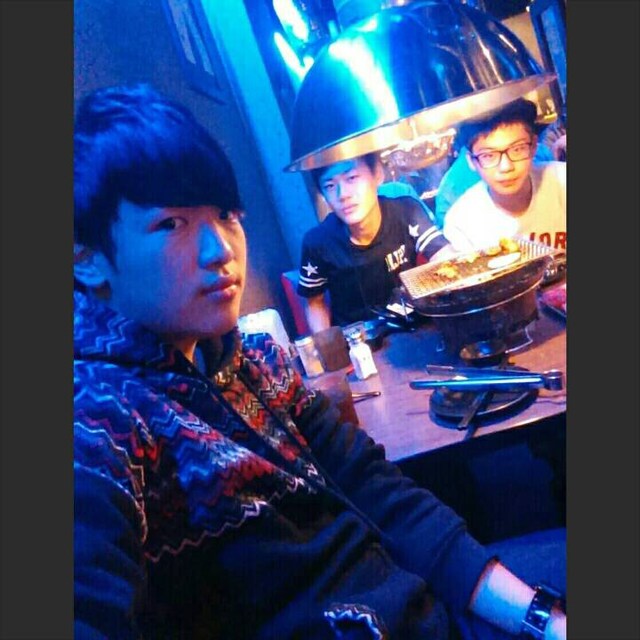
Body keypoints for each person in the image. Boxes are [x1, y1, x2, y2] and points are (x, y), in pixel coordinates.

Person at [74, 84, 566, 639]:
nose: (221, 252)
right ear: (86, 258)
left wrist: (541, 619)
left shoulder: (255, 361)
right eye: (171, 224)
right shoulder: (98, 415)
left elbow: (377, 489)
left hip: (420, 603)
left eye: (227, 215)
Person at [296, 153, 454, 332]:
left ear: (377, 174)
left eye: (352, 178)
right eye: (330, 186)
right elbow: (314, 302)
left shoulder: (406, 211)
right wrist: (327, 343)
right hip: (357, 338)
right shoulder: (318, 242)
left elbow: (443, 256)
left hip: (411, 327)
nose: (343, 195)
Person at [441, 99, 566, 253]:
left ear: (533, 146)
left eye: (517, 149)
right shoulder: (462, 222)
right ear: (471, 161)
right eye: (488, 156)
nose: (506, 167)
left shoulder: (563, 181)